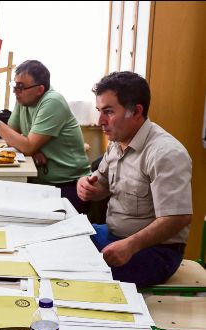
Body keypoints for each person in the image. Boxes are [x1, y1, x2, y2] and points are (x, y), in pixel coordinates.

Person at [76, 71, 192, 288]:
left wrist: (130, 245)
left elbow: (178, 217)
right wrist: (88, 186)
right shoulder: (117, 140)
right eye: (99, 111)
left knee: (79, 274)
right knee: (57, 246)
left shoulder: (165, 153)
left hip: (155, 251)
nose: (100, 120)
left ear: (137, 111)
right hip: (113, 235)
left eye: (108, 112)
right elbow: (101, 183)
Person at [0, 60, 91, 213]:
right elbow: (12, 136)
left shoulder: (52, 102)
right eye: (14, 85)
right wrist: (32, 150)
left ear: (40, 89)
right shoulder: (23, 100)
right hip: (43, 182)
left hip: (69, 185)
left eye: (21, 87)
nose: (16, 91)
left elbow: (24, 144)